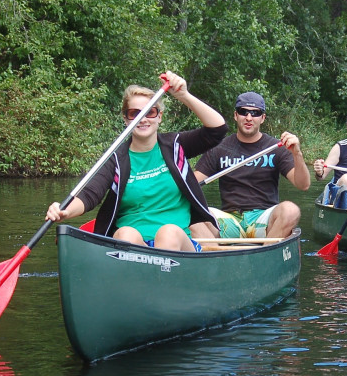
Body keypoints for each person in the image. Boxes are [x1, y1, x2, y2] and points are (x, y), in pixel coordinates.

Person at [45, 71, 227, 251]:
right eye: (135, 113)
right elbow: (89, 195)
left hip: (179, 245)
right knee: (124, 234)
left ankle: (161, 274)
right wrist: (64, 211)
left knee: (168, 232)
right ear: (126, 119)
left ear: (159, 117)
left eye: (150, 112)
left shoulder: (175, 146)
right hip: (136, 248)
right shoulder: (116, 160)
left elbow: (217, 129)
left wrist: (183, 95)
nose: (143, 119)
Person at [194, 92, 311, 238]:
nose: (249, 118)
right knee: (191, 213)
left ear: (262, 118)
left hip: (264, 219)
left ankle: (266, 254)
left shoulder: (276, 147)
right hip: (229, 220)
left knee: (291, 210)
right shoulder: (219, 148)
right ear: (236, 115)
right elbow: (191, 182)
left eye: (255, 113)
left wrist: (297, 154)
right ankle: (217, 255)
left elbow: (303, 185)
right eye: (244, 112)